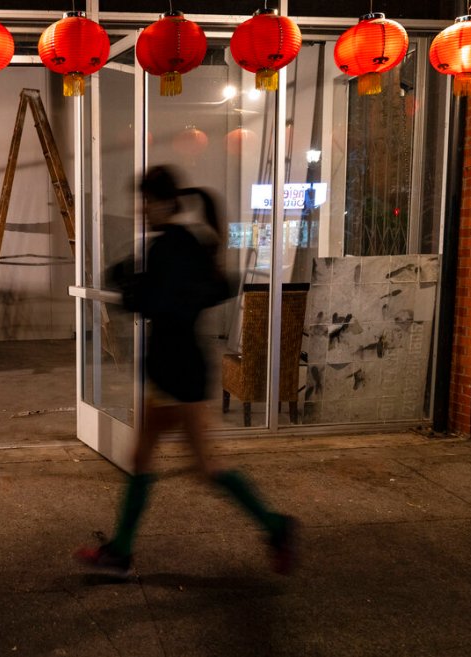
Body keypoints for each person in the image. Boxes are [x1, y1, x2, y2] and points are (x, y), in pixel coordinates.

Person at [74, 165, 297, 578]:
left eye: (147, 200)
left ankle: (275, 527)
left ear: (165, 201)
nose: (141, 208)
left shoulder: (171, 247)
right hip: (178, 369)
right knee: (155, 459)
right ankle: (121, 551)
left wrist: (128, 284)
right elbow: (205, 289)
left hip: (177, 371)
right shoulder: (185, 243)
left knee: (200, 466)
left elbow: (161, 302)